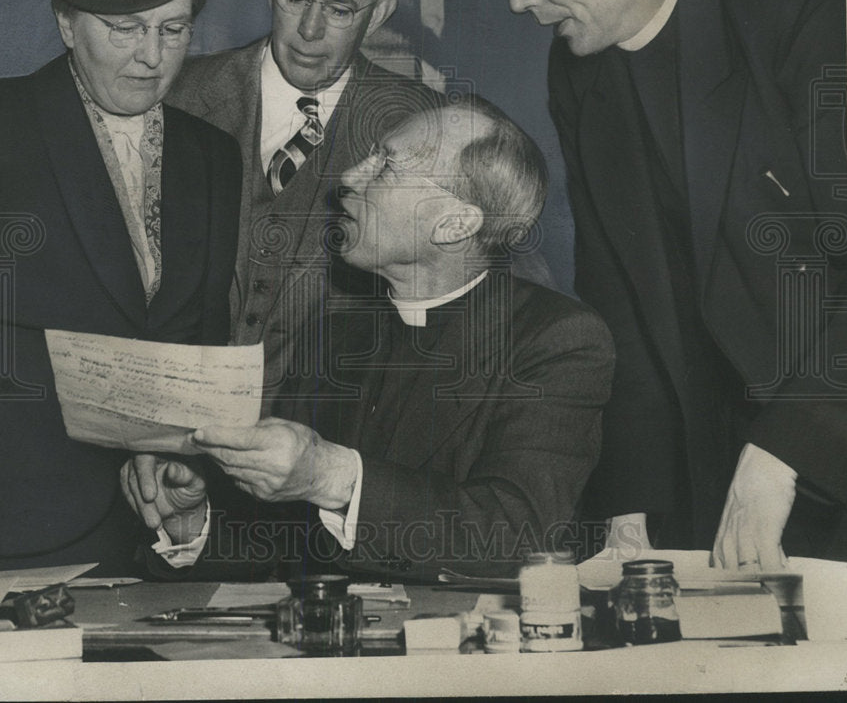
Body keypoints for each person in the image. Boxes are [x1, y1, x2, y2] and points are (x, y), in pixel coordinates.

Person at [483, 0, 847, 567]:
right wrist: (630, 509)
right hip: (703, 477)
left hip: (839, 455)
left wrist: (784, 453)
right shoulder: (578, 67)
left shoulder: (808, 11)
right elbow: (618, 294)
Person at [122, 96, 615, 580]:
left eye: (386, 167)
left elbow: (517, 535)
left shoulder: (557, 339)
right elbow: (286, 544)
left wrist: (330, 475)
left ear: (454, 224)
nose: (349, 177)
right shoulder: (338, 332)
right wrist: (192, 521)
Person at [0, 0, 251, 573]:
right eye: (125, 29)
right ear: (67, 22)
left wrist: (182, 469)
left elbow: (197, 349)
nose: (152, 57)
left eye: (173, 30)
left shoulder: (211, 157)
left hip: (143, 533)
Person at [164, 0, 440, 393]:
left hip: (329, 433)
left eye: (339, 10)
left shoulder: (423, 125)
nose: (310, 30)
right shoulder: (176, 96)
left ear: (377, 15)